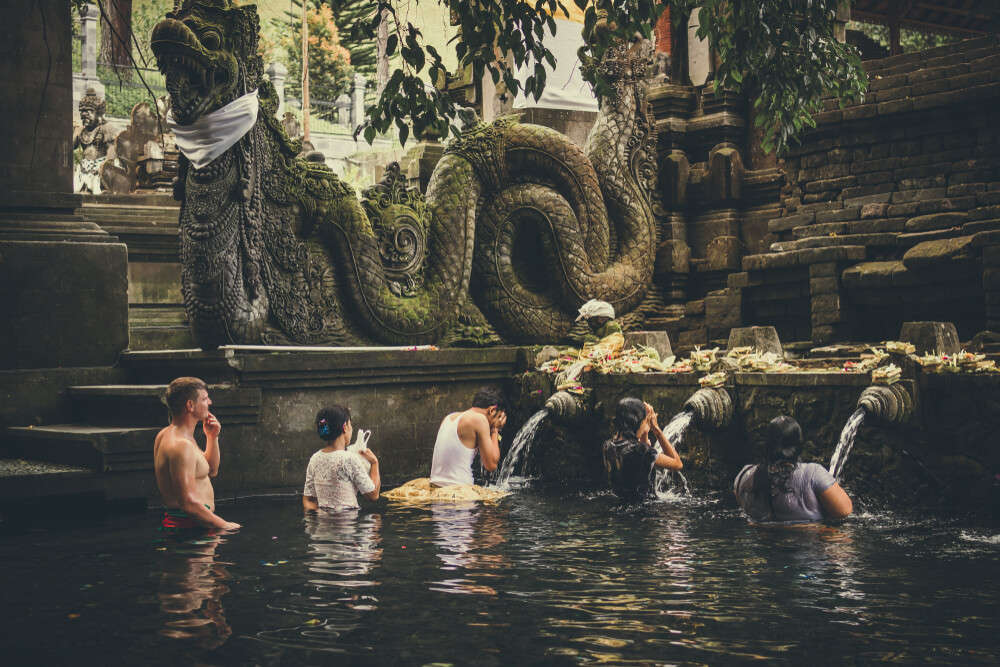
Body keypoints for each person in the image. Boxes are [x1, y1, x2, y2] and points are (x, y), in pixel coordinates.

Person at [154, 377, 240, 533]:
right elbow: (188, 503)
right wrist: (223, 525)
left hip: (193, 523)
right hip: (190, 527)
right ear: (190, 405)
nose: (210, 402)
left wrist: (212, 437)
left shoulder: (166, 435)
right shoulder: (181, 445)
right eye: (205, 399)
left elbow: (212, 470)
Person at [734, 415, 853, 524]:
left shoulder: (744, 476)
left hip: (764, 544)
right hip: (807, 542)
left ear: (767, 445)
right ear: (799, 445)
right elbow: (844, 511)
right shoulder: (813, 473)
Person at [602, 397, 683, 502]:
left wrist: (644, 432)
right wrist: (656, 428)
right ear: (637, 423)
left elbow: (641, 463)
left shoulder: (608, 445)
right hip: (644, 510)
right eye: (645, 421)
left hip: (619, 502)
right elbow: (677, 463)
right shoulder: (641, 451)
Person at [303, 406, 380, 512]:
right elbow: (373, 495)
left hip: (322, 526)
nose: (351, 429)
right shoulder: (349, 458)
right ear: (345, 427)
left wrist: (324, 515)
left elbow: (308, 501)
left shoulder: (314, 459)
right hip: (347, 523)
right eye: (350, 425)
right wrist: (374, 463)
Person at [429, 387, 507, 487]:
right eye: (499, 416)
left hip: (436, 486)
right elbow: (491, 465)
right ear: (492, 410)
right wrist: (495, 429)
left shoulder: (449, 417)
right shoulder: (479, 419)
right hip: (459, 489)